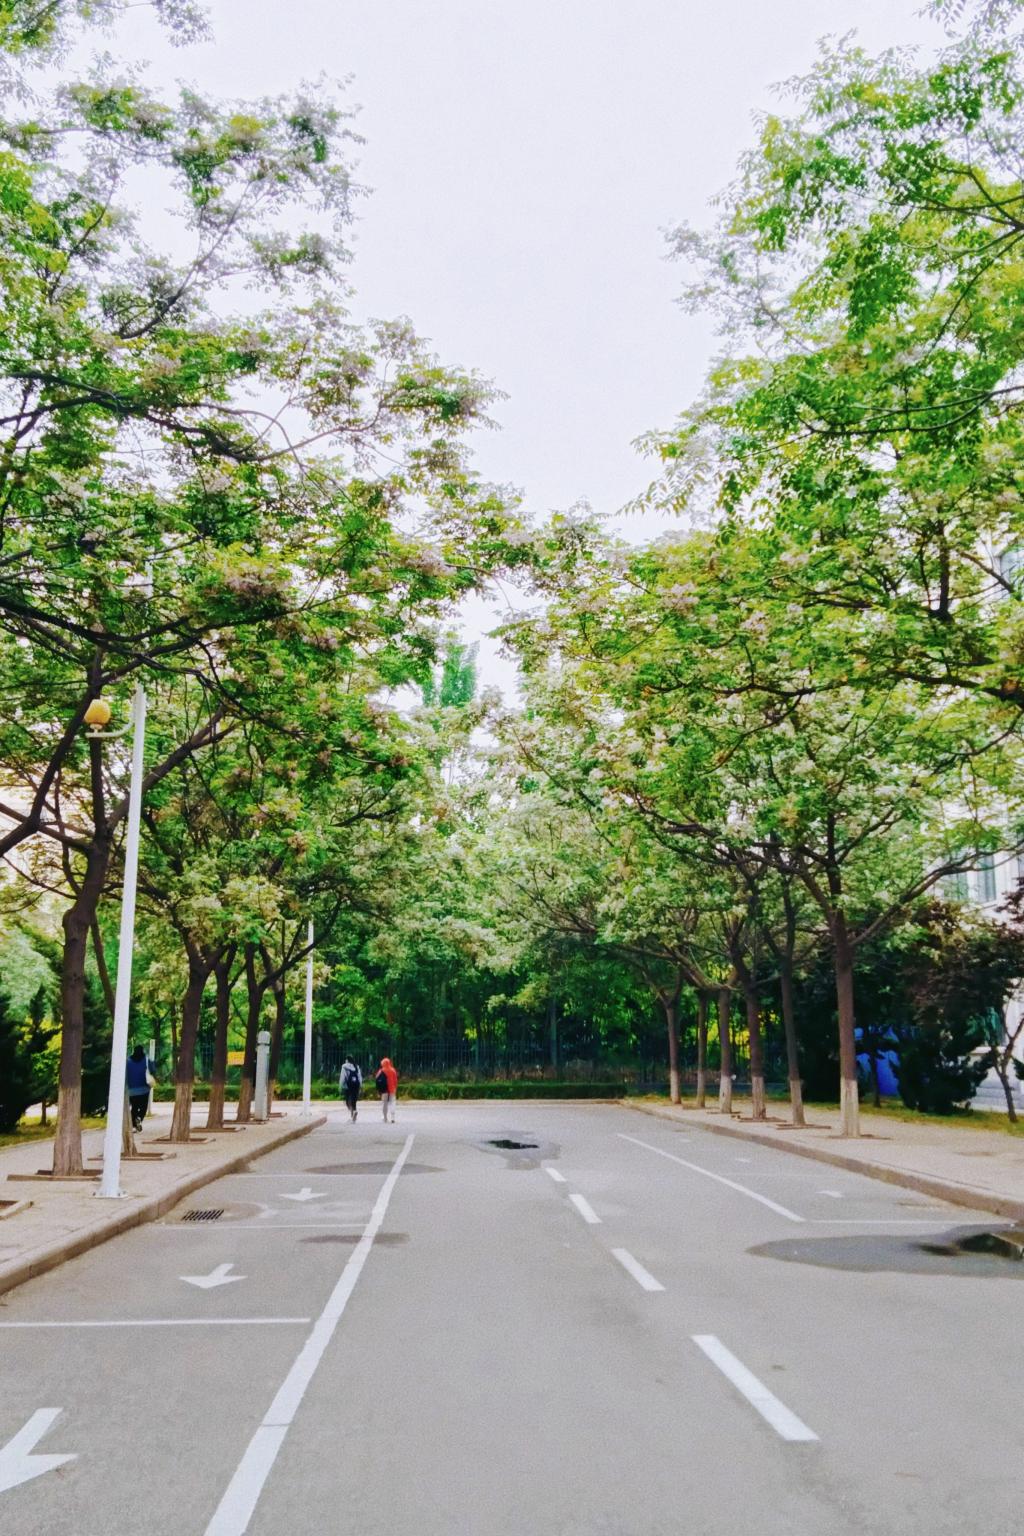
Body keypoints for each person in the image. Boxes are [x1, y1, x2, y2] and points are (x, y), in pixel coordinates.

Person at [126, 1043, 154, 1131]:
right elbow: (153, 1070)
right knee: (143, 1107)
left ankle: (133, 1126)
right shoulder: (146, 1060)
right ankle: (139, 1118)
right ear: (142, 1051)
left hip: (131, 1090)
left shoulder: (128, 1061)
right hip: (144, 1089)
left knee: (134, 1107)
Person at [375, 1057, 398, 1123]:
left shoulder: (381, 1071)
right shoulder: (393, 1070)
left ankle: (385, 1118)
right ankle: (393, 1117)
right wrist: (395, 1088)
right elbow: (395, 1080)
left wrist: (378, 1090)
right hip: (392, 1089)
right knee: (392, 1102)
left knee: (384, 1104)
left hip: (384, 1090)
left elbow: (377, 1079)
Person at [340, 1055, 362, 1121]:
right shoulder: (356, 1066)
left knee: (347, 1101)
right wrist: (360, 1085)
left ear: (347, 1060)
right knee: (354, 1100)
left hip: (347, 1086)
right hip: (356, 1085)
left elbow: (343, 1077)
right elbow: (359, 1077)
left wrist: (341, 1085)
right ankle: (353, 1114)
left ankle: (353, 1113)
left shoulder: (344, 1066)